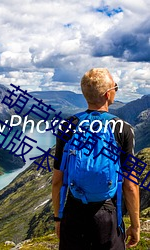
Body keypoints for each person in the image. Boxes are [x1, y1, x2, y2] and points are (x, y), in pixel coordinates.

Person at [52, 68, 140, 250]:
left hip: (74, 212)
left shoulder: (68, 126)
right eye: (116, 87)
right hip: (107, 215)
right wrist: (135, 226)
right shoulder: (122, 129)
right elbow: (130, 185)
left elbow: (57, 181)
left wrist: (58, 218)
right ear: (108, 94)